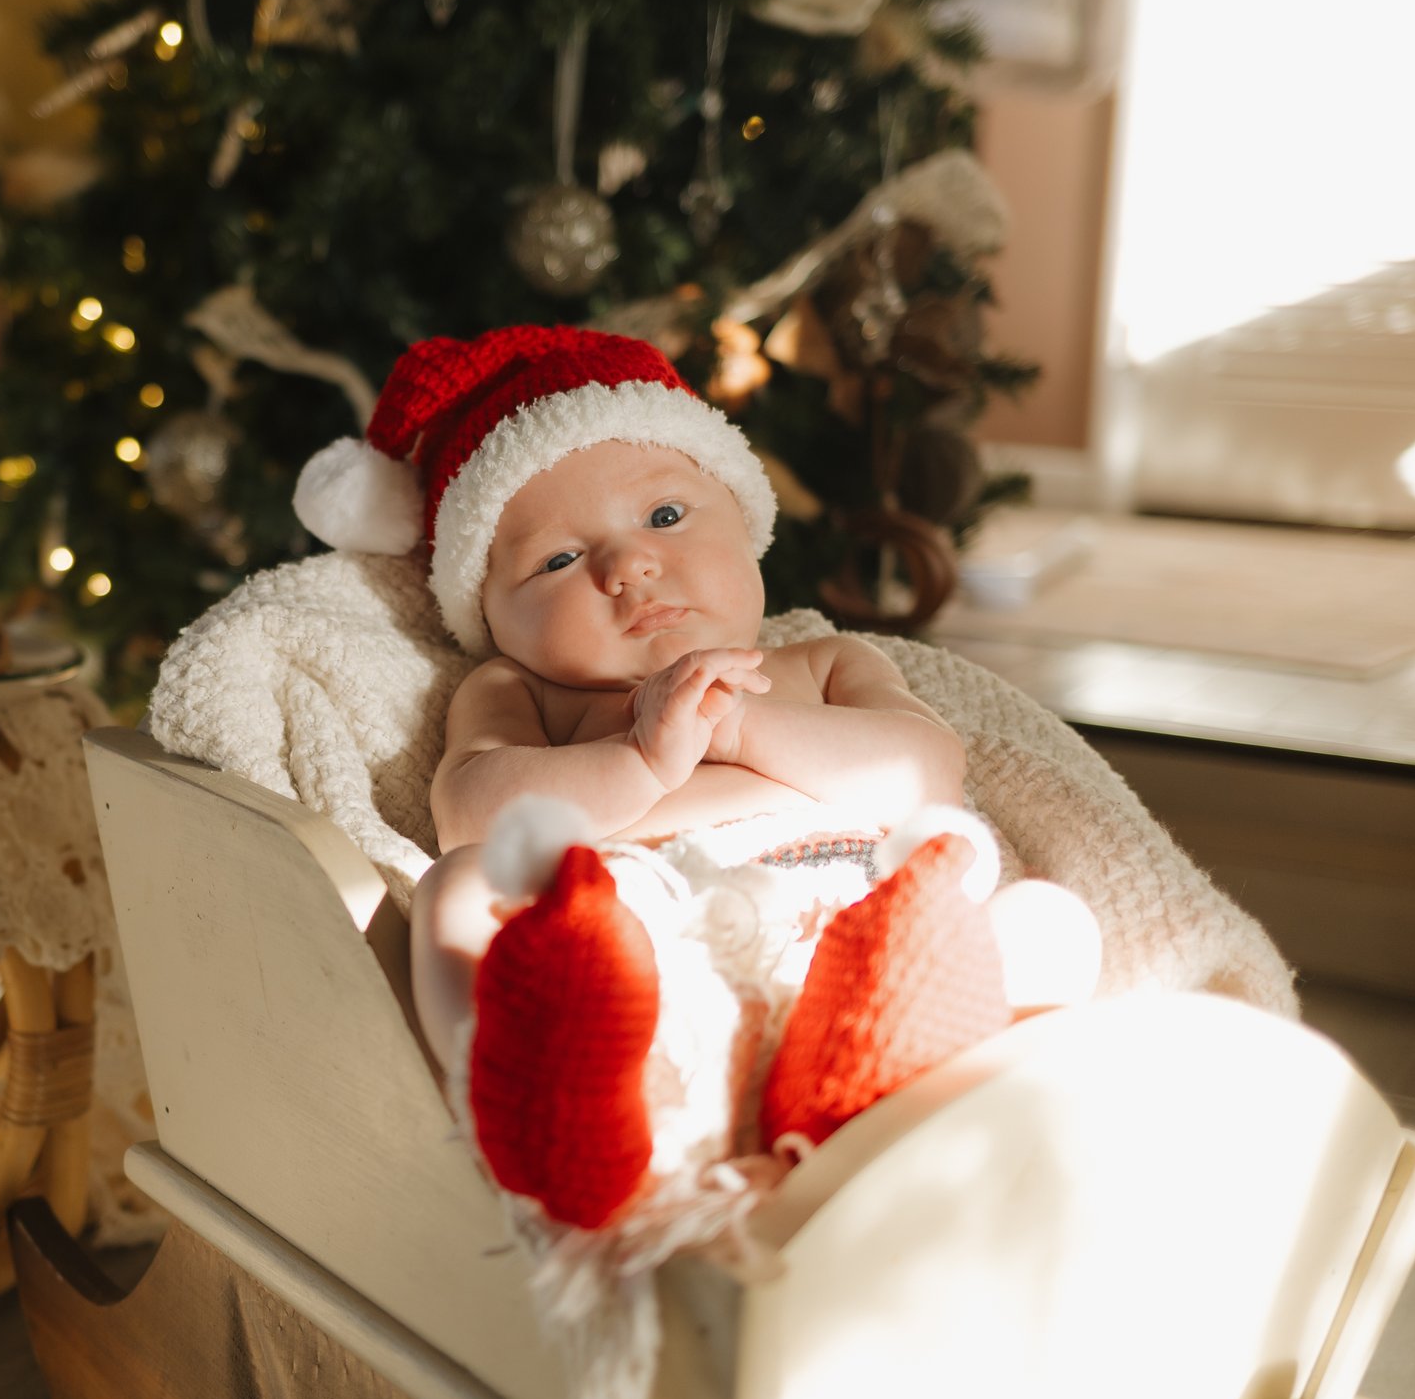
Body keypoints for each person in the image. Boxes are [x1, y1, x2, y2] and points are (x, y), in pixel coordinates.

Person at [289, 324, 1096, 1224]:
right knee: (460, 891)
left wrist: (742, 722)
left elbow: (926, 771)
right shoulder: (523, 690)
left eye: (666, 516)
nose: (626, 565)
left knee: (1052, 924)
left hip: (850, 916)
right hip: (635, 948)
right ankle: (555, 1124)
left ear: (748, 530)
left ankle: (892, 1065)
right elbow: (473, 813)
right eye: (557, 559)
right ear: (489, 615)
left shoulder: (819, 664)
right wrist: (637, 758)